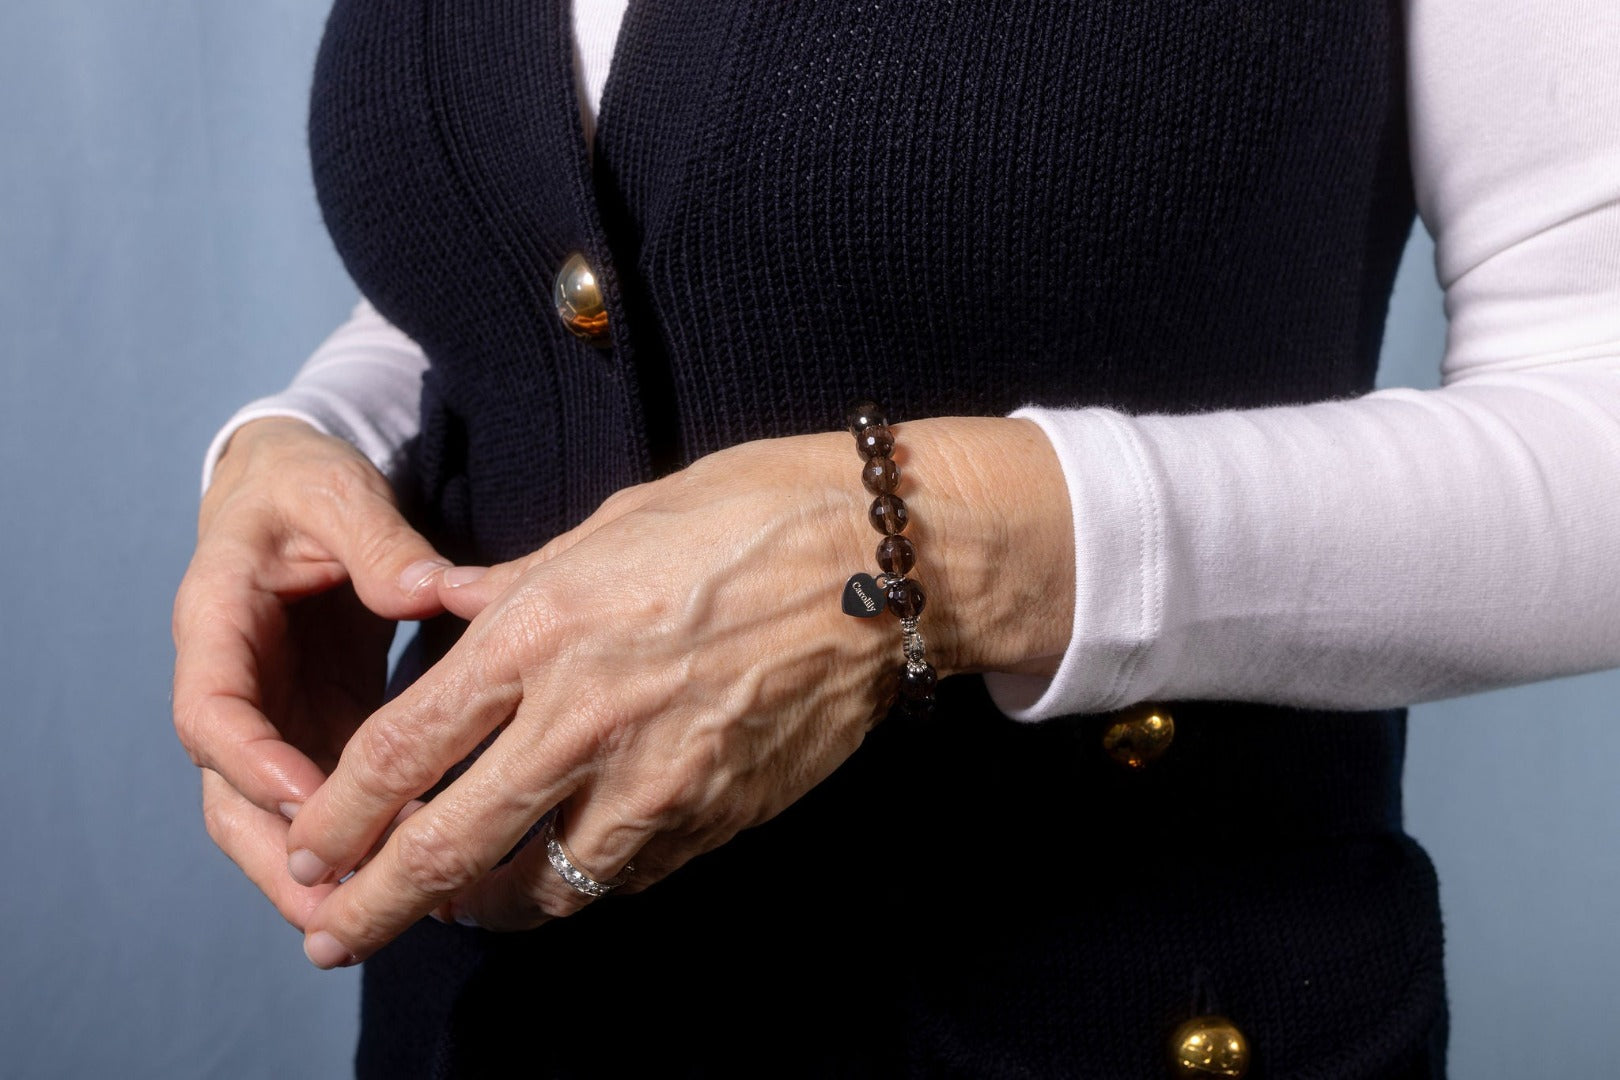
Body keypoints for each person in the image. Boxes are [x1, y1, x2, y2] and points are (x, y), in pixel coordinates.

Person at [172, 0, 1620, 1076]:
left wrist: (929, 545)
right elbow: (547, 243)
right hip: (485, 1026)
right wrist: (307, 440)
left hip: (1089, 1016)